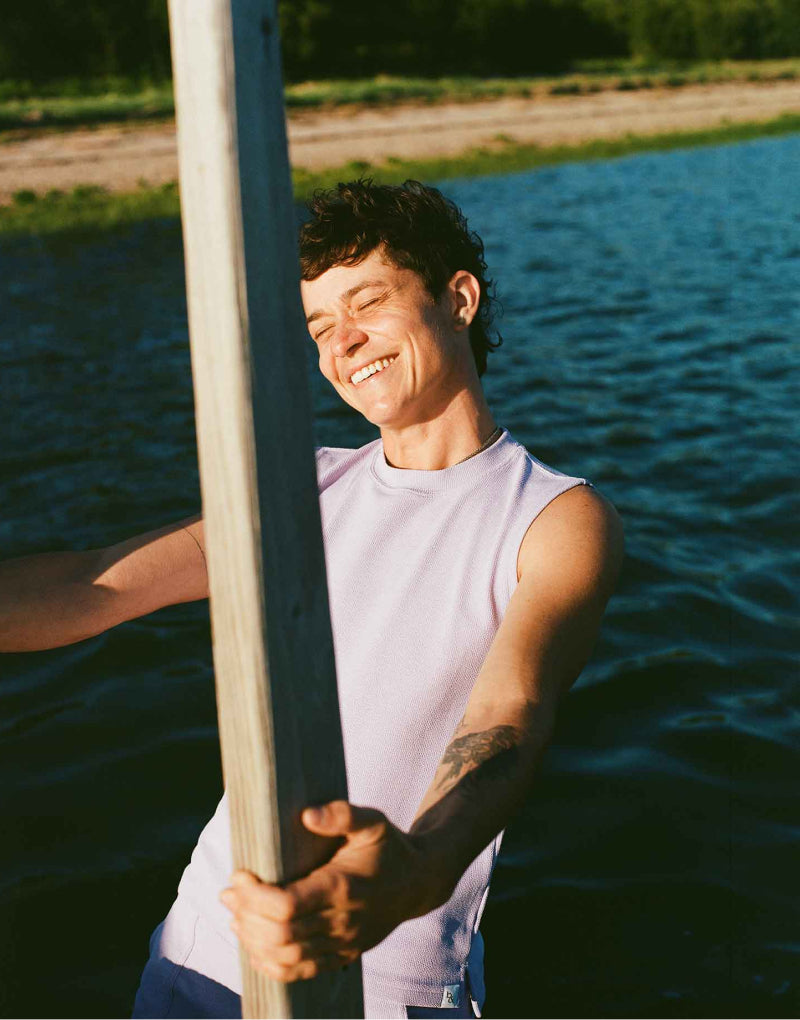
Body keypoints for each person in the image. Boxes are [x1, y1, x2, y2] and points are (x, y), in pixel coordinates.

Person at [0, 180, 624, 1019]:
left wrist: (415, 868)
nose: (345, 343)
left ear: (460, 299)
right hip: (204, 958)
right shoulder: (306, 489)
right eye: (320, 328)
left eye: (367, 304)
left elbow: (510, 714)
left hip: (386, 977)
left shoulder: (552, 518)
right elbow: (93, 585)